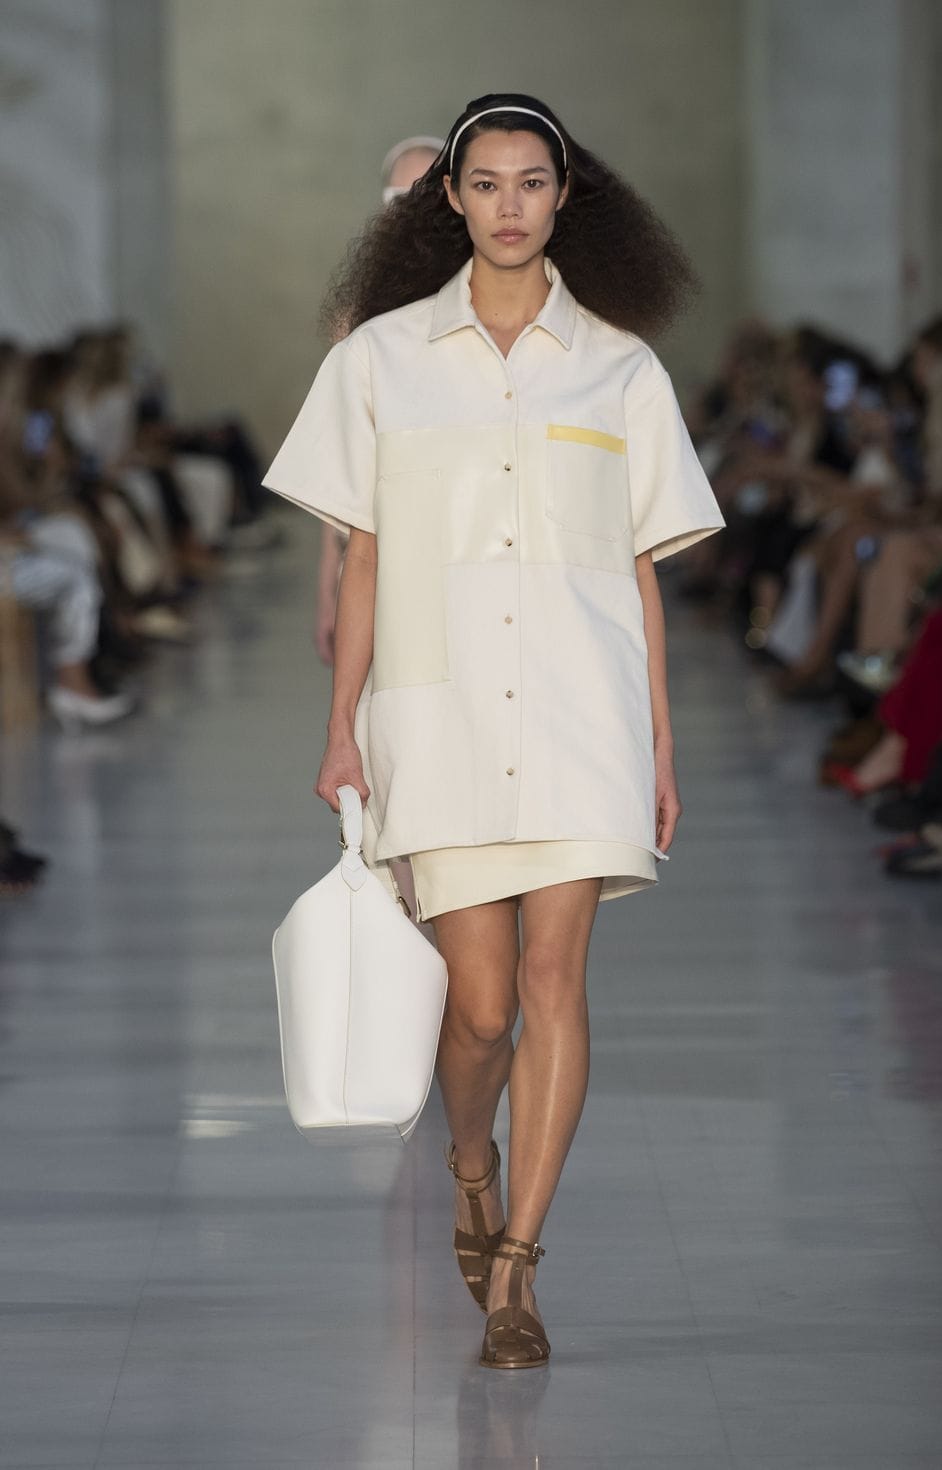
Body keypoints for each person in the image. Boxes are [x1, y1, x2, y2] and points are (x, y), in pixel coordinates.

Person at [263, 92, 724, 1370]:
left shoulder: (620, 366)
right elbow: (362, 557)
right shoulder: (381, 361)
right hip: (440, 712)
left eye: (531, 182)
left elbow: (638, 571)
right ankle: (471, 1160)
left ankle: (518, 1265)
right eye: (485, 183)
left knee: (550, 981)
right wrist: (342, 728)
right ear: (450, 200)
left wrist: (659, 745)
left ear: (565, 196)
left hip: (583, 715)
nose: (508, 206)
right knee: (475, 1011)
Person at [313, 134, 444, 666]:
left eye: (429, 191)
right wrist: (328, 589)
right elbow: (341, 459)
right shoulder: (359, 316)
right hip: (380, 553)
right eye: (399, 196)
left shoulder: (500, 297)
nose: (414, 207)